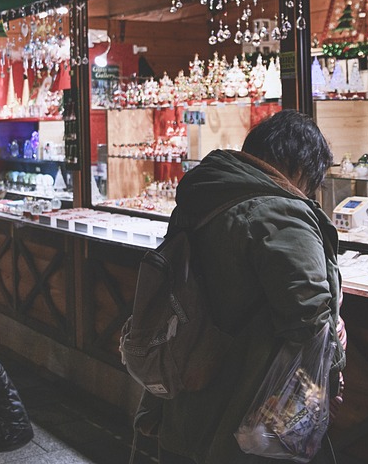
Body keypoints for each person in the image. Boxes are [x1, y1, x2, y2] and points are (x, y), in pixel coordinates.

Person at [135, 110, 345, 464]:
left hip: (188, 390)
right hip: (247, 409)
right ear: (301, 168)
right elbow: (309, 319)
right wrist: (332, 373)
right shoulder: (281, 213)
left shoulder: (207, 194)